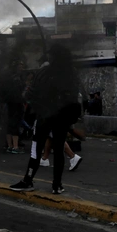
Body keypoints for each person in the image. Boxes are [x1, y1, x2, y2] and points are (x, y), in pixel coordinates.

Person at [10, 44, 81, 194]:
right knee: (59, 150)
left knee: (36, 149)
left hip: (44, 117)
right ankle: (57, 185)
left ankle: (28, 180)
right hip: (62, 119)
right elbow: (75, 98)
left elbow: (28, 95)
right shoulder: (72, 74)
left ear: (52, 57)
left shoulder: (43, 73)